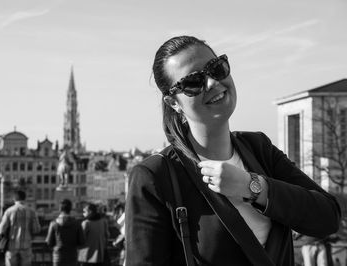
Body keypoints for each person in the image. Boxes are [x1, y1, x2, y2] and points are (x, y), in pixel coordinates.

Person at [125, 35, 341, 266]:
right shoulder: (155, 176)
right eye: (193, 82)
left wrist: (253, 186)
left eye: (216, 68)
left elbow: (327, 218)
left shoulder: (259, 148)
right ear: (173, 103)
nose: (212, 83)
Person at [0, 190, 41, 266]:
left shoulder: (9, 211)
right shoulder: (31, 211)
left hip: (11, 246)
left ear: (14, 199)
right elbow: (36, 229)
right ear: (25, 198)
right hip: (26, 246)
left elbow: (1, 229)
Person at [45, 199, 85, 266]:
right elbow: (82, 241)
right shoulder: (77, 224)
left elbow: (49, 242)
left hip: (58, 257)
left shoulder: (54, 223)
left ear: (60, 209)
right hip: (72, 256)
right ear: (70, 209)